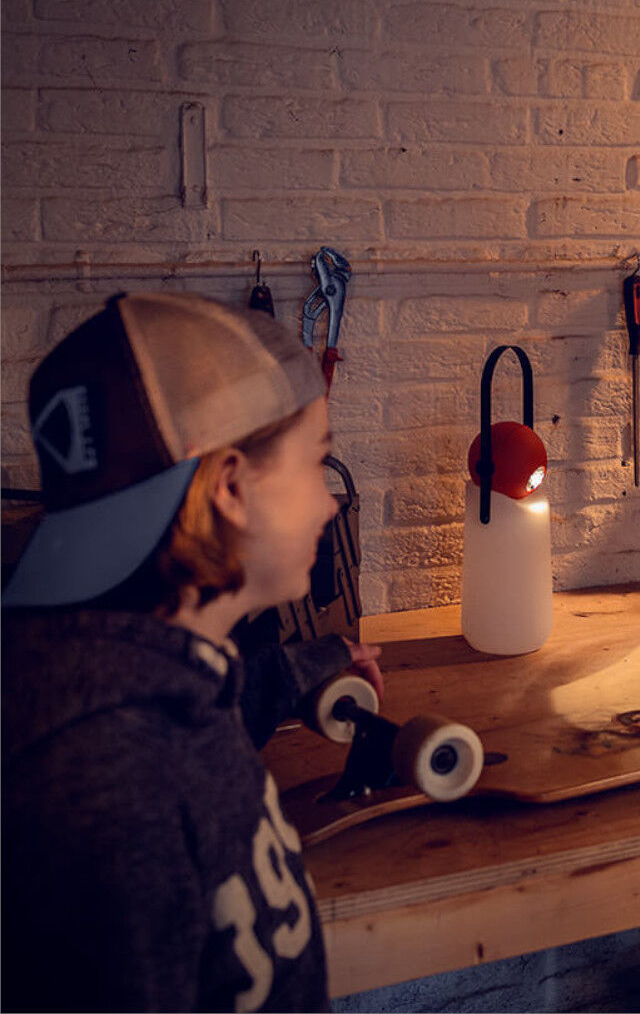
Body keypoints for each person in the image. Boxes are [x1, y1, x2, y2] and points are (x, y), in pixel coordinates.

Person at [1, 293, 383, 1012]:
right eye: (317, 462)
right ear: (233, 487)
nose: (330, 502)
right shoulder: (104, 794)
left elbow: (192, 737)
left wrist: (305, 668)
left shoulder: (144, 676)